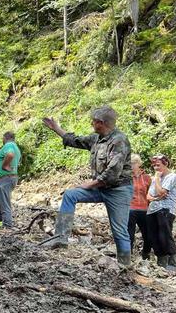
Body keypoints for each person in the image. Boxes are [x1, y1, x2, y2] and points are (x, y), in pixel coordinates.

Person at [41, 106, 133, 266]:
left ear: (101, 123)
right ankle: (60, 238)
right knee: (70, 195)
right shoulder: (96, 138)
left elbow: (113, 173)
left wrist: (90, 184)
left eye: (93, 121)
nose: (91, 124)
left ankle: (125, 265)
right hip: (100, 188)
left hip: (118, 190)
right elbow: (75, 140)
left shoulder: (119, 140)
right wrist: (56, 128)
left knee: (119, 231)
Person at [146, 154, 176, 269]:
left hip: (166, 209)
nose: (156, 168)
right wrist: (156, 197)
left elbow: (161, 193)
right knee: (153, 236)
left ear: (166, 164)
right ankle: (161, 263)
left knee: (165, 235)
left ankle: (172, 263)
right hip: (152, 210)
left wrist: (157, 180)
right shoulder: (155, 178)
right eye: (154, 165)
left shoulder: (172, 176)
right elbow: (149, 196)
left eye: (158, 165)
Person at [0, 132, 21, 228]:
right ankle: (7, 225)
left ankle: (7, 226)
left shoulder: (9, 145)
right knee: (4, 203)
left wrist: (5, 165)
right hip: (8, 178)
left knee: (4, 204)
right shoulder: (15, 146)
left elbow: (10, 154)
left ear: (5, 138)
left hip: (5, 179)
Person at [127, 154, 152, 260]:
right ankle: (129, 255)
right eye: (130, 163)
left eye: (134, 163)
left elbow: (150, 193)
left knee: (148, 234)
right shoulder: (126, 178)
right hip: (130, 209)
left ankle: (146, 253)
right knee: (129, 234)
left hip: (144, 209)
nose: (132, 165)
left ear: (139, 164)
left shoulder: (146, 178)